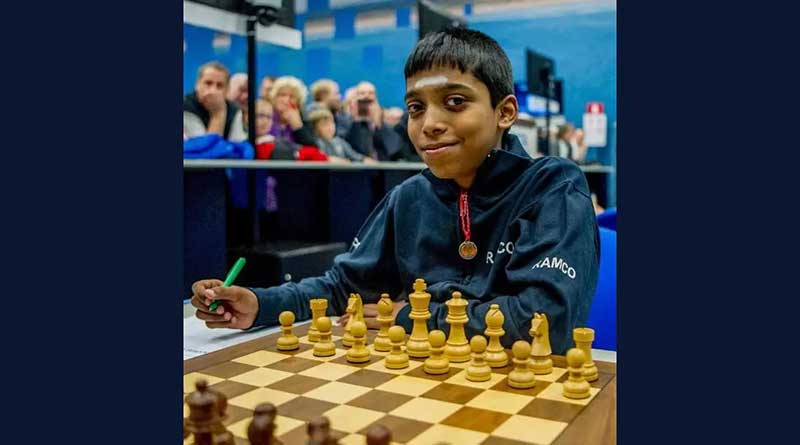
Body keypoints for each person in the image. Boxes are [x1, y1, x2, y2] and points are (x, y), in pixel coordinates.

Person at [189, 28, 599, 354]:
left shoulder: (552, 186)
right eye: (416, 108)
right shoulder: (408, 198)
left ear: (505, 112)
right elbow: (341, 288)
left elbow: (549, 322)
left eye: (455, 101)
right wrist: (260, 304)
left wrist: (412, 318)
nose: (429, 123)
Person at [343, 81, 403, 161]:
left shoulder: (382, 123)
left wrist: (379, 124)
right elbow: (348, 147)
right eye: (362, 93)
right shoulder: (346, 122)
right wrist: (355, 119)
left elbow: (393, 149)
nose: (366, 96)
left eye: (371, 93)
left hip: (383, 169)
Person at [183, 61, 240, 140]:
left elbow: (238, 146)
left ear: (227, 90)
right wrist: (218, 113)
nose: (213, 90)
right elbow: (205, 149)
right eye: (208, 83)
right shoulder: (185, 107)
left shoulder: (234, 110)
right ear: (197, 84)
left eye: (220, 85)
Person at [308, 108, 377, 164]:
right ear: (315, 128)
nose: (330, 127)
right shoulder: (316, 143)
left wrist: (367, 160)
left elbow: (355, 156)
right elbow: (320, 159)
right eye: (324, 124)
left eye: (332, 123)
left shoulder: (339, 141)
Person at [267, 75, 318, 147]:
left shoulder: (304, 120)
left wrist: (298, 127)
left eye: (292, 96)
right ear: (274, 97)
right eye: (282, 95)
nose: (286, 100)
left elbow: (313, 148)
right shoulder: (265, 116)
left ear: (298, 102)